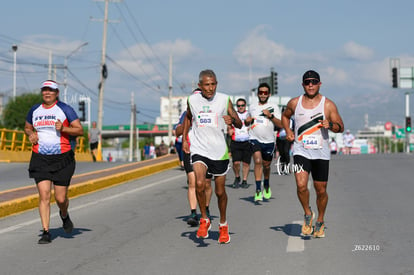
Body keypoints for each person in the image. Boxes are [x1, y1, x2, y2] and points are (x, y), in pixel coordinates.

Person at [282, 70, 344, 238]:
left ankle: (321, 220)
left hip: (321, 153)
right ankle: (308, 213)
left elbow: (340, 127)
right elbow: (285, 116)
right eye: (307, 82)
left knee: (320, 190)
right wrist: (288, 131)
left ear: (319, 84)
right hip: (301, 151)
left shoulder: (328, 105)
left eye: (314, 82)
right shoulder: (295, 103)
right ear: (303, 84)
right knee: (301, 186)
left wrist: (330, 124)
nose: (310, 84)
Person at [182, 69, 242, 244]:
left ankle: (223, 224)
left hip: (219, 151)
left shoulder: (224, 99)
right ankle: (204, 219)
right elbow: (188, 117)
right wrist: (185, 138)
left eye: (213, 84)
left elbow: (239, 122)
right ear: (200, 85)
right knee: (199, 183)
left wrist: (233, 121)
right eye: (207, 85)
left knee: (220, 191)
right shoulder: (192, 100)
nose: (210, 88)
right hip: (199, 149)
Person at [24, 80, 84, 244]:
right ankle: (46, 232)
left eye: (50, 90)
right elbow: (27, 127)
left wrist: (64, 129)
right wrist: (30, 134)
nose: (47, 93)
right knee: (44, 195)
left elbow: (79, 130)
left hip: (63, 158)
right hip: (40, 158)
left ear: (56, 93)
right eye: (44, 90)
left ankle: (64, 215)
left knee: (60, 199)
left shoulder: (65, 109)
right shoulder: (34, 110)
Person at [175, 105, 213, 227]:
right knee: (192, 182)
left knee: (206, 183)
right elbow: (177, 132)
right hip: (190, 151)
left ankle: (206, 208)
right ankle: (193, 213)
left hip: (208, 151)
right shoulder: (186, 114)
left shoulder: (211, 112)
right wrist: (188, 123)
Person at [245, 83, 282, 202]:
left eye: (265, 92)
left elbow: (280, 124)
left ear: (269, 94)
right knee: (257, 161)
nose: (262, 94)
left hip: (269, 141)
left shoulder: (274, 107)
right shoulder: (252, 107)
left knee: (266, 165)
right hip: (254, 138)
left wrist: (270, 116)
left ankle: (266, 183)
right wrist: (247, 121)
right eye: (260, 92)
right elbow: (246, 122)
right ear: (258, 94)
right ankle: (257, 189)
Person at [228, 98, 252, 189]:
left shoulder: (249, 114)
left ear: (245, 106)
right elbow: (229, 125)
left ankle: (245, 180)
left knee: (246, 163)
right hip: (236, 141)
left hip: (247, 141)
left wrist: (252, 128)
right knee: (236, 163)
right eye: (238, 105)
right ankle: (237, 177)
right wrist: (229, 129)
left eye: (242, 105)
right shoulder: (234, 115)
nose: (240, 107)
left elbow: (255, 123)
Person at [276, 106, 293, 175]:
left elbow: (294, 128)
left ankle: (287, 166)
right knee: (281, 153)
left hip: (287, 138)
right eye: (283, 111)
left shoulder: (292, 120)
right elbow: (275, 127)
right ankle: (283, 167)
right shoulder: (279, 120)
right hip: (279, 138)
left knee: (286, 152)